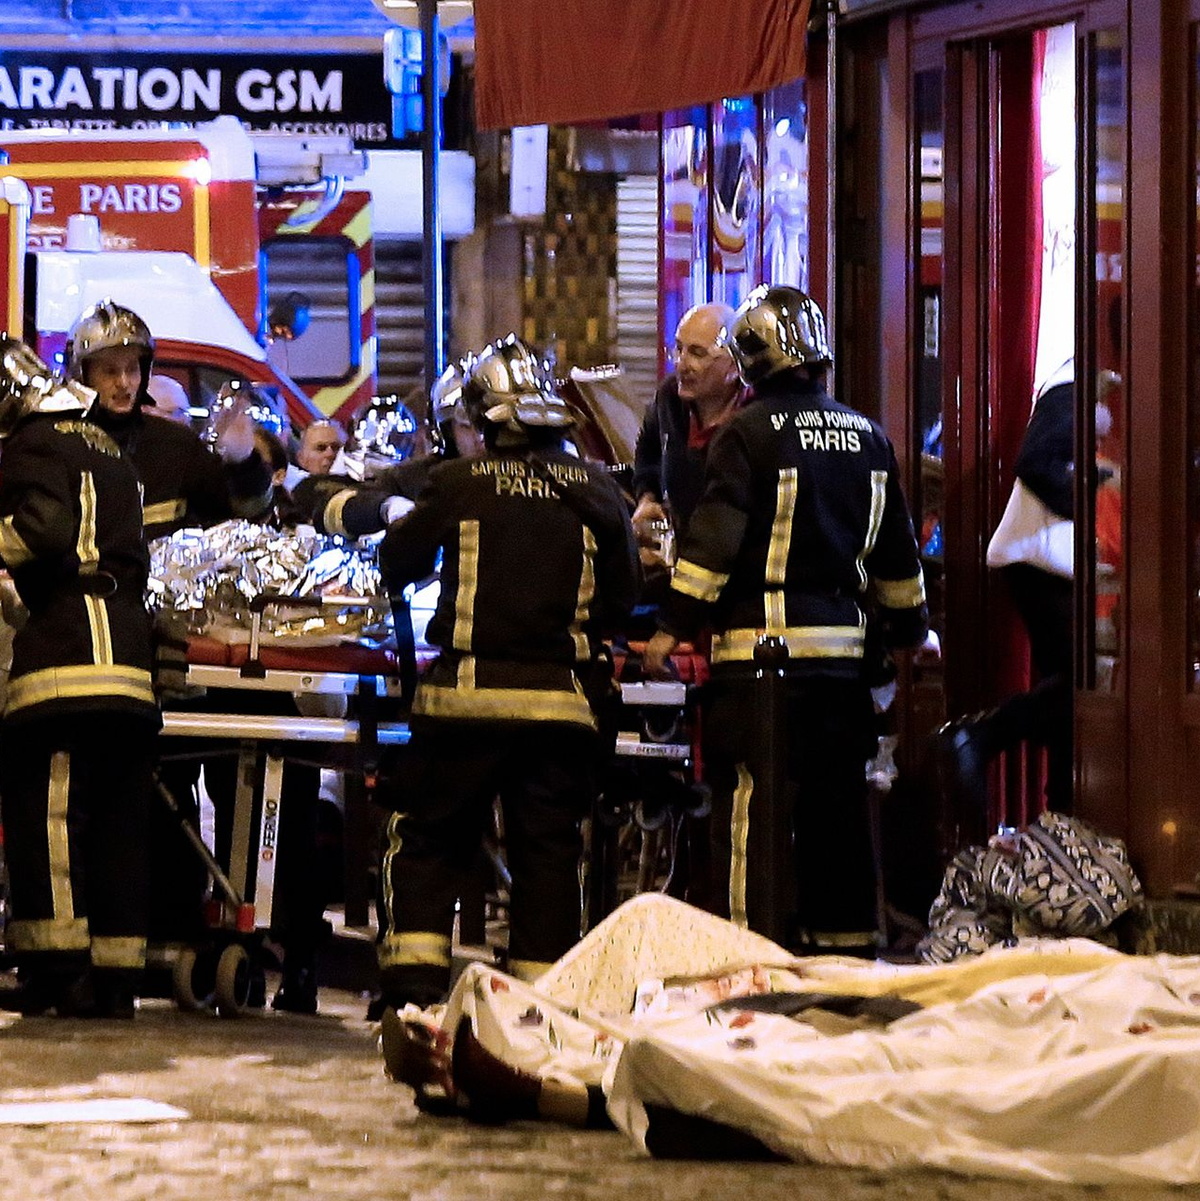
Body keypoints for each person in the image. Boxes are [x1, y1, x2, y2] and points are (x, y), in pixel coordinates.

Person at [643, 285, 928, 953]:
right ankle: (847, 955)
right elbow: (898, 562)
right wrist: (908, 633)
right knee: (839, 811)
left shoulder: (744, 436)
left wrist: (669, 630)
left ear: (748, 364)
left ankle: (752, 955)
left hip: (760, 670)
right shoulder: (869, 436)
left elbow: (711, 551)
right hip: (844, 670)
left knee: (753, 810)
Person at [374, 334, 640, 1011]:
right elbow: (622, 598)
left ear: (487, 417)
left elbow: (395, 564)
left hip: (463, 706)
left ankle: (415, 990)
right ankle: (538, 1005)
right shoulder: (599, 490)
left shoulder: (458, 483)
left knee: (427, 837)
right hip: (560, 711)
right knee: (548, 853)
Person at [0, 340, 159, 1017]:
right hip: (126, 654)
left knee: (49, 814)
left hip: (65, 659)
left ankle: (58, 969)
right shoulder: (106, 443)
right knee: (119, 818)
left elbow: (44, 528)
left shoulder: (32, 443)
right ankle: (118, 975)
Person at [938, 362, 1076, 812]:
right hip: (1043, 563)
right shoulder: (1079, 380)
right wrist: (1097, 501)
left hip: (1054, 564)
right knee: (1080, 689)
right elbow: (1035, 461)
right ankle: (981, 735)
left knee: (1073, 696)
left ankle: (1059, 811)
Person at [631, 302, 743, 553]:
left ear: (734, 367)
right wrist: (647, 497)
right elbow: (647, 453)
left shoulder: (756, 416)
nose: (681, 365)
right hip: (685, 558)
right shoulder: (669, 397)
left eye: (697, 353)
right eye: (678, 349)